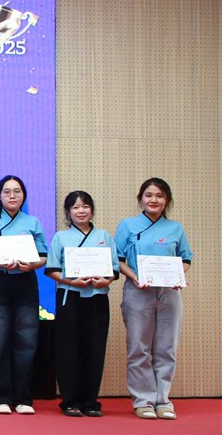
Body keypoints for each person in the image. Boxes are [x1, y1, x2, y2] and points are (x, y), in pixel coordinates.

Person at [115, 178, 192, 420]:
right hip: (138, 291)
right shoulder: (128, 226)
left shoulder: (175, 228)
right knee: (139, 348)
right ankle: (143, 401)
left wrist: (178, 275)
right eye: (149, 195)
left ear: (166, 200)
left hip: (169, 292)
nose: (154, 200)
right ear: (140, 199)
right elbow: (118, 259)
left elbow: (186, 259)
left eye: (159, 195)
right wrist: (135, 277)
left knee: (166, 348)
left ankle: (163, 400)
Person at [0, 175, 48, 415]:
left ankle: (23, 398)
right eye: (7, 191)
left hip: (25, 282)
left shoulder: (32, 222)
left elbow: (43, 256)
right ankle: (0, 397)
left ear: (24, 196)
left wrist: (31, 264)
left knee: (27, 342)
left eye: (17, 191)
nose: (12, 195)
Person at [44, 191, 119, 417]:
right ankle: (70, 401)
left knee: (95, 348)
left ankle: (90, 401)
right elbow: (52, 269)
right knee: (68, 348)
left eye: (85, 206)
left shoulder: (104, 236)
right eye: (75, 207)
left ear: (92, 209)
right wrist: (71, 280)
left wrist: (106, 280)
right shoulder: (61, 237)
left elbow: (114, 269)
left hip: (97, 298)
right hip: (70, 297)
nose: (81, 211)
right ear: (68, 212)